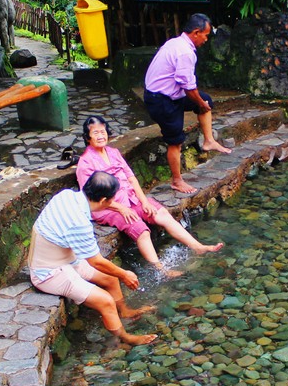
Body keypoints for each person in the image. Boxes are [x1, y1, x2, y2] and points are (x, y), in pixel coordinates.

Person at [76, 116, 223, 277]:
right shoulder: (85, 163)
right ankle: (161, 270)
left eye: (103, 132)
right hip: (108, 208)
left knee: (161, 213)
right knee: (142, 231)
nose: (100, 136)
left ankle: (197, 247)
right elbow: (91, 197)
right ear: (88, 137)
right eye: (95, 133)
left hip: (131, 198)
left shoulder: (113, 152)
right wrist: (122, 209)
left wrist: (144, 201)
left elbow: (131, 178)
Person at [28, 171, 158, 346]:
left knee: (111, 278)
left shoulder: (67, 195)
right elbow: (96, 261)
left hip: (66, 260)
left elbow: (101, 205)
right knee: (106, 301)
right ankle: (125, 338)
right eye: (112, 200)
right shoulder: (79, 222)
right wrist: (125, 274)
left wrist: (119, 208)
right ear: (103, 200)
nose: (113, 202)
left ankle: (124, 311)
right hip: (49, 273)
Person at [144, 13, 231, 194]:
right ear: (196, 32)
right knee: (175, 140)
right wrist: (200, 103)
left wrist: (202, 102)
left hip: (170, 93)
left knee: (206, 100)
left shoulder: (176, 42)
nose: (206, 39)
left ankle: (208, 141)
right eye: (206, 35)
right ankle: (177, 181)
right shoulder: (184, 52)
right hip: (160, 100)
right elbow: (189, 87)